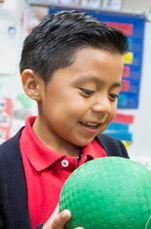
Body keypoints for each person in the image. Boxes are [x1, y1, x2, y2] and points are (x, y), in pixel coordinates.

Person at [0, 11, 130, 229]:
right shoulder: (5, 169)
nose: (104, 107)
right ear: (33, 85)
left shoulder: (113, 152)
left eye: (113, 95)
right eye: (88, 91)